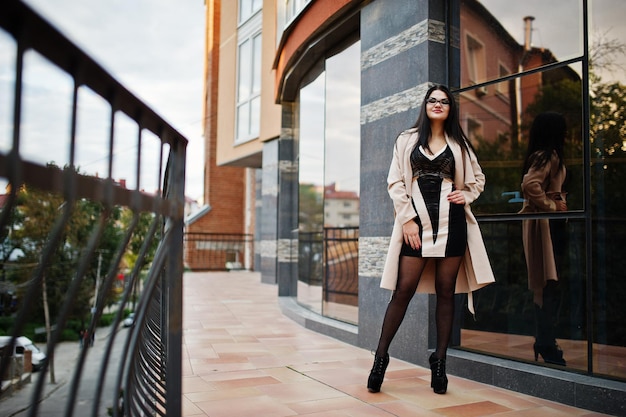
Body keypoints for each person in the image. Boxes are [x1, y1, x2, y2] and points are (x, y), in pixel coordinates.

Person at [368, 84, 495, 395]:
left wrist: (466, 194)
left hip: (452, 226)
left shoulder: (459, 144)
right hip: (416, 226)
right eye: (433, 100)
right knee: (404, 290)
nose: (438, 104)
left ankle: (440, 362)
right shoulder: (406, 139)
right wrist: (407, 220)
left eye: (444, 101)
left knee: (446, 292)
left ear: (450, 109)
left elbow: (478, 179)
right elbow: (395, 181)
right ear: (425, 106)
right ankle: (380, 358)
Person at [519, 111, 568, 366]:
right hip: (544, 227)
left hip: (551, 227)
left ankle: (546, 340)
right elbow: (529, 185)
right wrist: (552, 205)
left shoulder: (549, 155)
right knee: (545, 286)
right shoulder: (546, 155)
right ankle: (546, 343)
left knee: (550, 286)